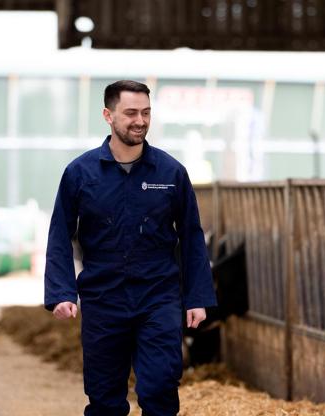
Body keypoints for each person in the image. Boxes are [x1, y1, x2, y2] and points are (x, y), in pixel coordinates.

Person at [44, 80, 217, 416]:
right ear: (108, 115)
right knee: (105, 398)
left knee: (159, 388)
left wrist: (197, 297)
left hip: (158, 296)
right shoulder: (80, 174)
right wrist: (62, 292)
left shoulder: (170, 172)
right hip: (103, 298)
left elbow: (192, 237)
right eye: (131, 113)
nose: (140, 120)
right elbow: (59, 235)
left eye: (146, 112)